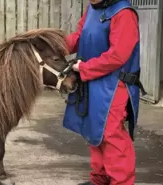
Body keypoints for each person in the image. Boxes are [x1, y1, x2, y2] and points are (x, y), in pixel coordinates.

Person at [62, 0, 145, 185]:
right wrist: (55, 45)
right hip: (92, 80)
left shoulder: (124, 13)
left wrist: (84, 68)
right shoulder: (92, 8)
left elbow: (118, 55)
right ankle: (100, 179)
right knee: (94, 129)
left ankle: (121, 181)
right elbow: (80, 36)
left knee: (111, 134)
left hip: (114, 85)